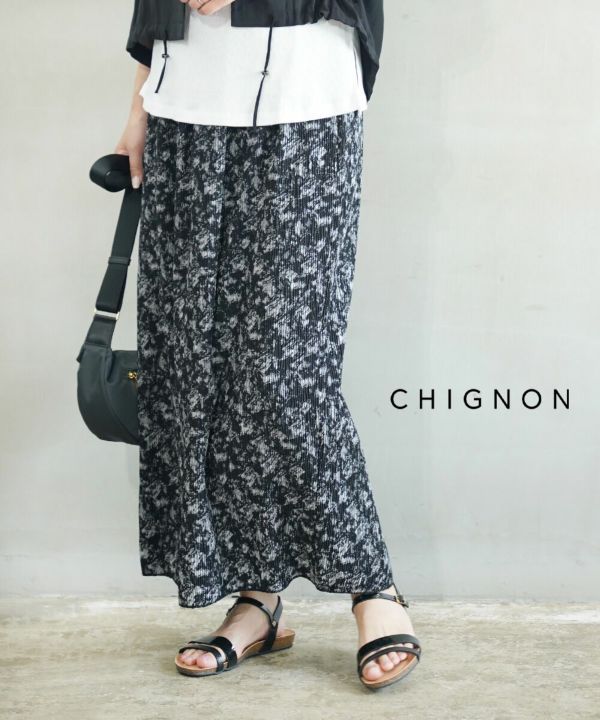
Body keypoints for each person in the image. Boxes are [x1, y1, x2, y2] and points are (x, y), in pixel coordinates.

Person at [115, 0, 421, 690]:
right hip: (182, 107)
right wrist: (138, 105)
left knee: (283, 375)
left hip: (303, 103)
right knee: (197, 368)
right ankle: (257, 600)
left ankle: (373, 585)